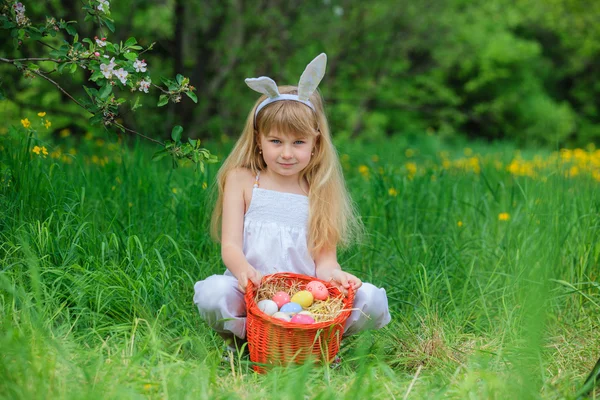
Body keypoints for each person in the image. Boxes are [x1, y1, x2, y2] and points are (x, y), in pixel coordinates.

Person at [193, 53, 390, 348]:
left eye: (298, 142)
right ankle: (243, 342)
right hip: (252, 292)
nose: (287, 153)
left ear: (315, 144)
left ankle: (318, 340)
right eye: (276, 141)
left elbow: (324, 260)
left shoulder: (319, 188)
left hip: (307, 302)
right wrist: (244, 272)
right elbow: (230, 245)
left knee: (370, 299)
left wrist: (336, 275)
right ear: (259, 140)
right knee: (213, 293)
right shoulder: (243, 180)